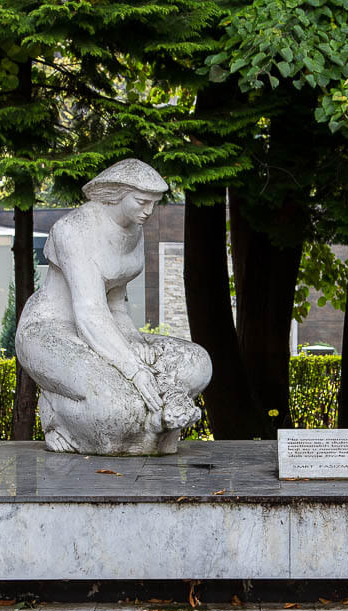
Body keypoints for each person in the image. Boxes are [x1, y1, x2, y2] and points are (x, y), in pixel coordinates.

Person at [16, 159, 211, 455]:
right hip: (50, 331)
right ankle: (57, 414)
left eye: (155, 203)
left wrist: (131, 338)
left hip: (105, 329)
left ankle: (151, 427)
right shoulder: (74, 230)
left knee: (197, 363)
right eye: (142, 202)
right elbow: (89, 311)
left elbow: (116, 299)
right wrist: (134, 369)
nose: (149, 211)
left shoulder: (134, 227)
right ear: (117, 195)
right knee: (120, 409)